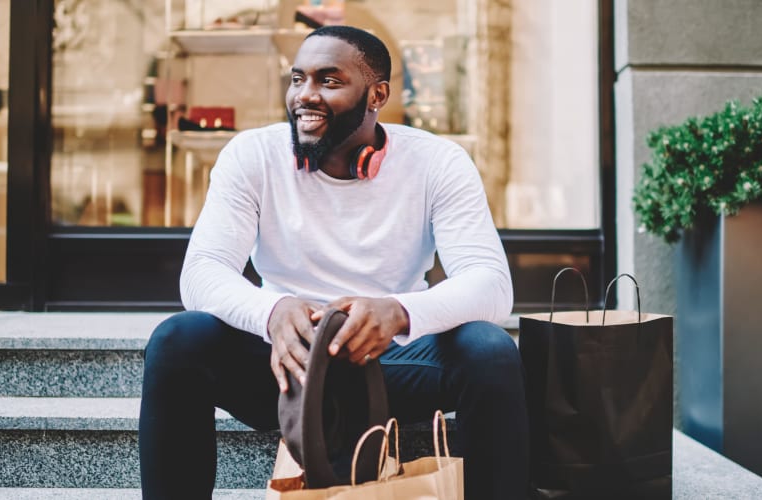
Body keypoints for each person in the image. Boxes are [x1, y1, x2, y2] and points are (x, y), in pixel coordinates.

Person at [139, 25, 529, 500]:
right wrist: (273, 311)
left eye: (329, 81)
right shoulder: (252, 155)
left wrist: (399, 312)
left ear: (376, 94)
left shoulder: (438, 163)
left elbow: (491, 285)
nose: (306, 95)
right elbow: (202, 271)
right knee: (177, 340)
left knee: (489, 349)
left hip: (390, 365)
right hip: (286, 367)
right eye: (298, 78)